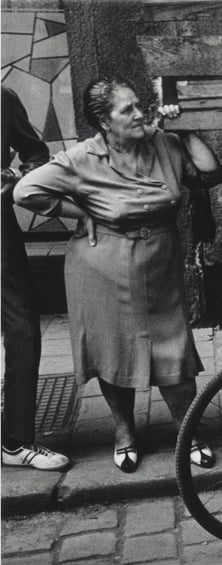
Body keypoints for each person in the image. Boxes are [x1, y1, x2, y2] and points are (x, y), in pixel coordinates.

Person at [14, 77, 222, 473]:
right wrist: (83, 212)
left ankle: (189, 431)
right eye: (127, 109)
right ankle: (124, 432)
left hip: (159, 262)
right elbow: (26, 192)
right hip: (101, 265)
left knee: (174, 349)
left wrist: (185, 129)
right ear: (104, 121)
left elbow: (212, 175)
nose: (140, 113)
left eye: (139, 104)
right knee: (114, 352)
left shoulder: (164, 143)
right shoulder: (81, 158)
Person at [1, 86, 70, 470]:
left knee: (23, 326)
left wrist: (12, 182)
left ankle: (15, 441)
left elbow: (35, 154)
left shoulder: (2, 98)